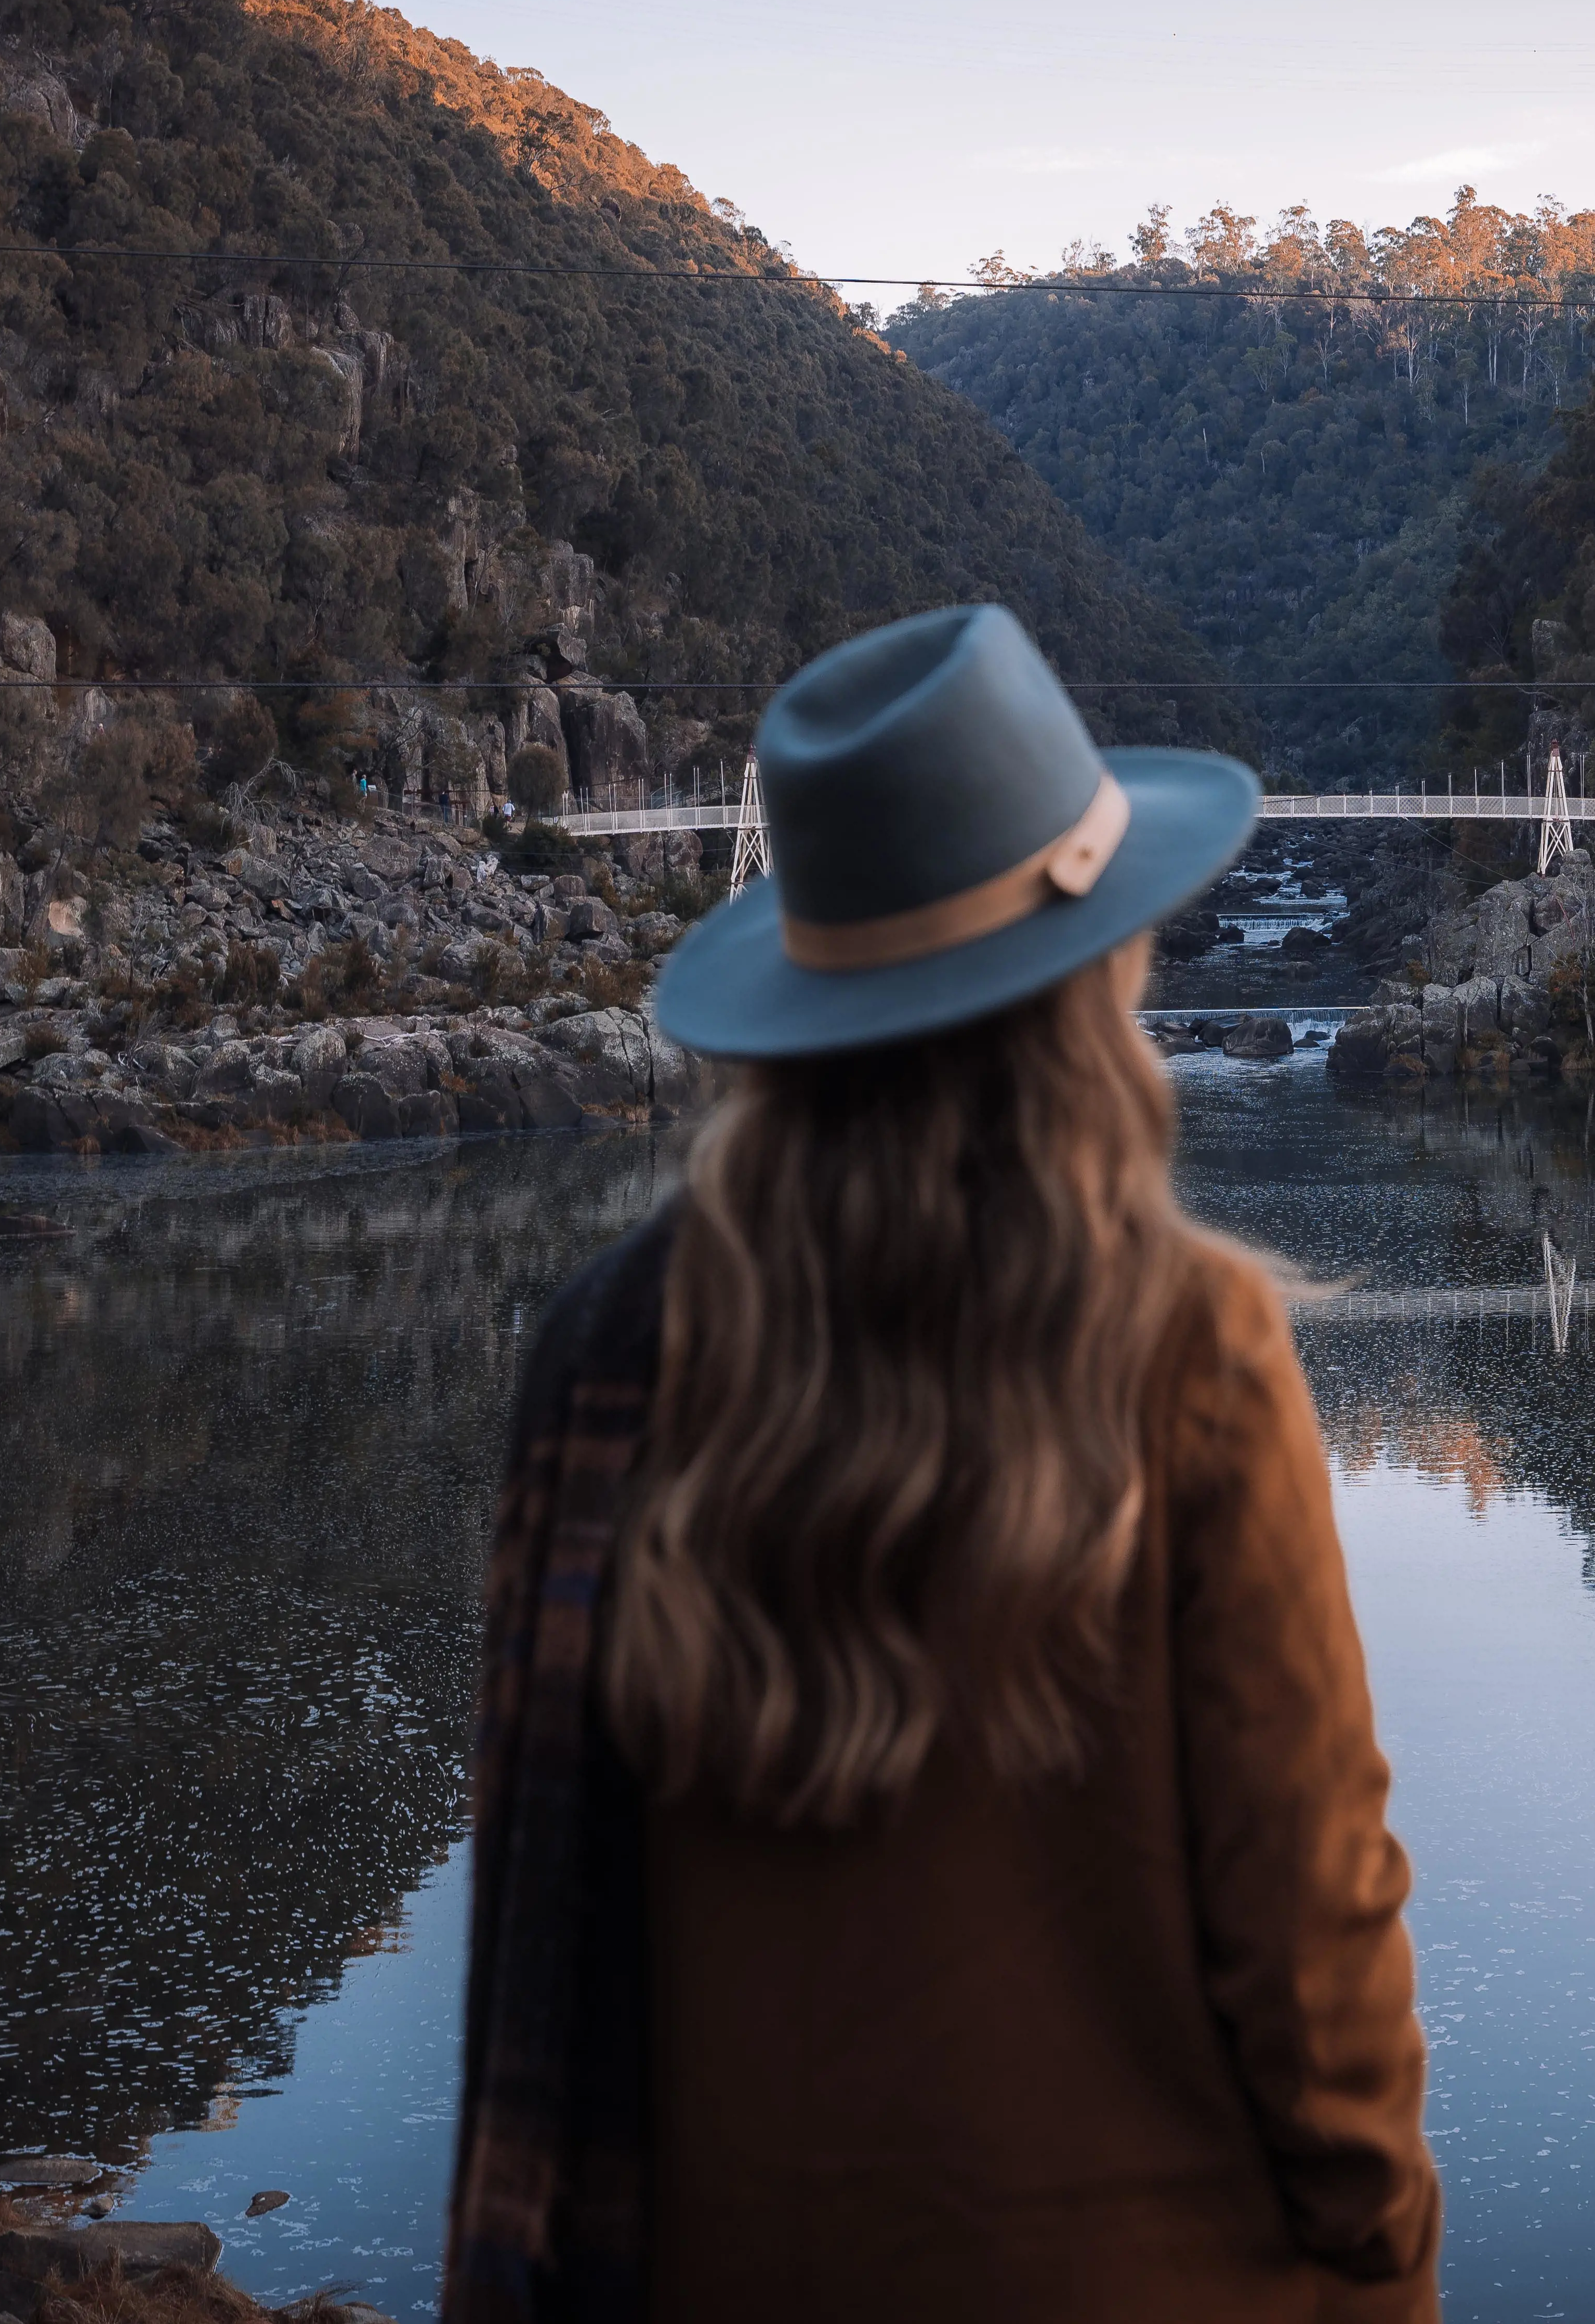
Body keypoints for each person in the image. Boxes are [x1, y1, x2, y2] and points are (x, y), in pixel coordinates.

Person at [450, 605, 1439, 2324]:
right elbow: (1317, 1947)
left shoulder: (610, 1356)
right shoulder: (1191, 1349)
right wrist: (1389, 2247)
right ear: (1094, 977)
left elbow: (541, 1947)